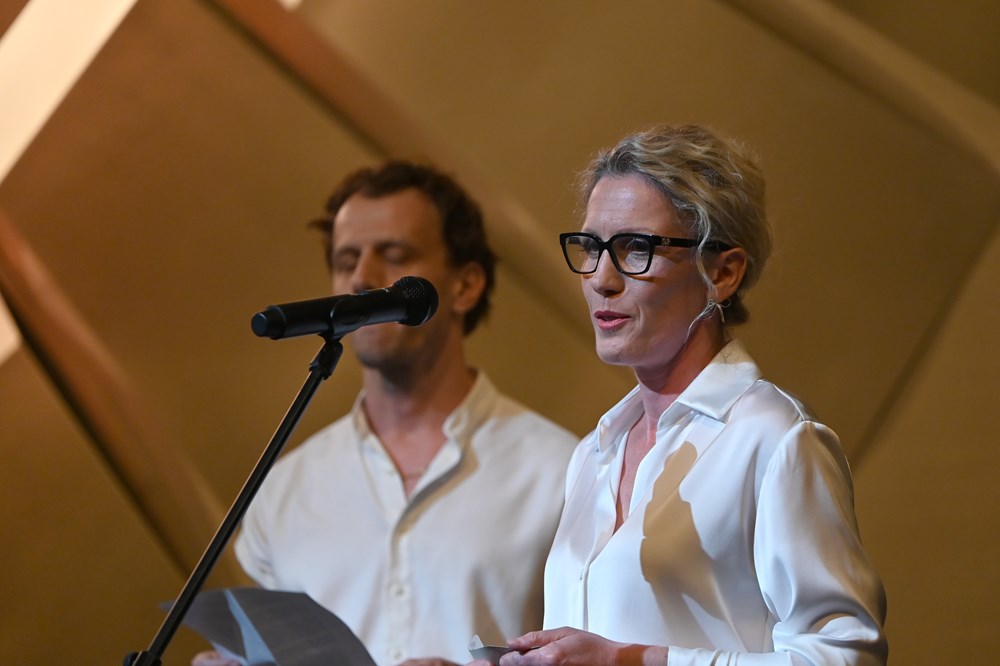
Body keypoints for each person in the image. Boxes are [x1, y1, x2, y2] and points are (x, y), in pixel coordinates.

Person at [494, 125, 887, 665]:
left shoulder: (773, 437)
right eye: (590, 247)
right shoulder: (594, 451)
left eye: (636, 248)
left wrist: (632, 661)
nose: (602, 279)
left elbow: (844, 656)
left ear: (722, 272)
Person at [193, 160, 576, 666]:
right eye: (346, 260)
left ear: (465, 286)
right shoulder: (284, 487)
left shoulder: (563, 473)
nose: (362, 278)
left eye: (394, 255)